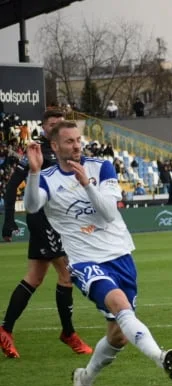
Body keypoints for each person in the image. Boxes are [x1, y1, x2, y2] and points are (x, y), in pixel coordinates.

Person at [23, 121, 172, 386]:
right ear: (55, 147)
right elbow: (32, 206)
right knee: (121, 306)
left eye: (78, 139)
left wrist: (87, 185)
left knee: (117, 336)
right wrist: (33, 173)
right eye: (69, 141)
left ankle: (85, 377)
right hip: (85, 261)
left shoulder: (101, 168)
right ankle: (160, 357)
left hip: (120, 255)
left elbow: (108, 214)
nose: (76, 145)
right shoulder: (46, 178)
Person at [0, 109, 93, 359]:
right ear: (44, 127)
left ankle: (5, 329)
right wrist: (8, 219)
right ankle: (68, 332)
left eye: (59, 123)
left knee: (34, 277)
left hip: (58, 220)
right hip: (43, 219)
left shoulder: (67, 149)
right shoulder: (37, 150)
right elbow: (11, 186)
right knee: (66, 273)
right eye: (52, 124)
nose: (56, 127)